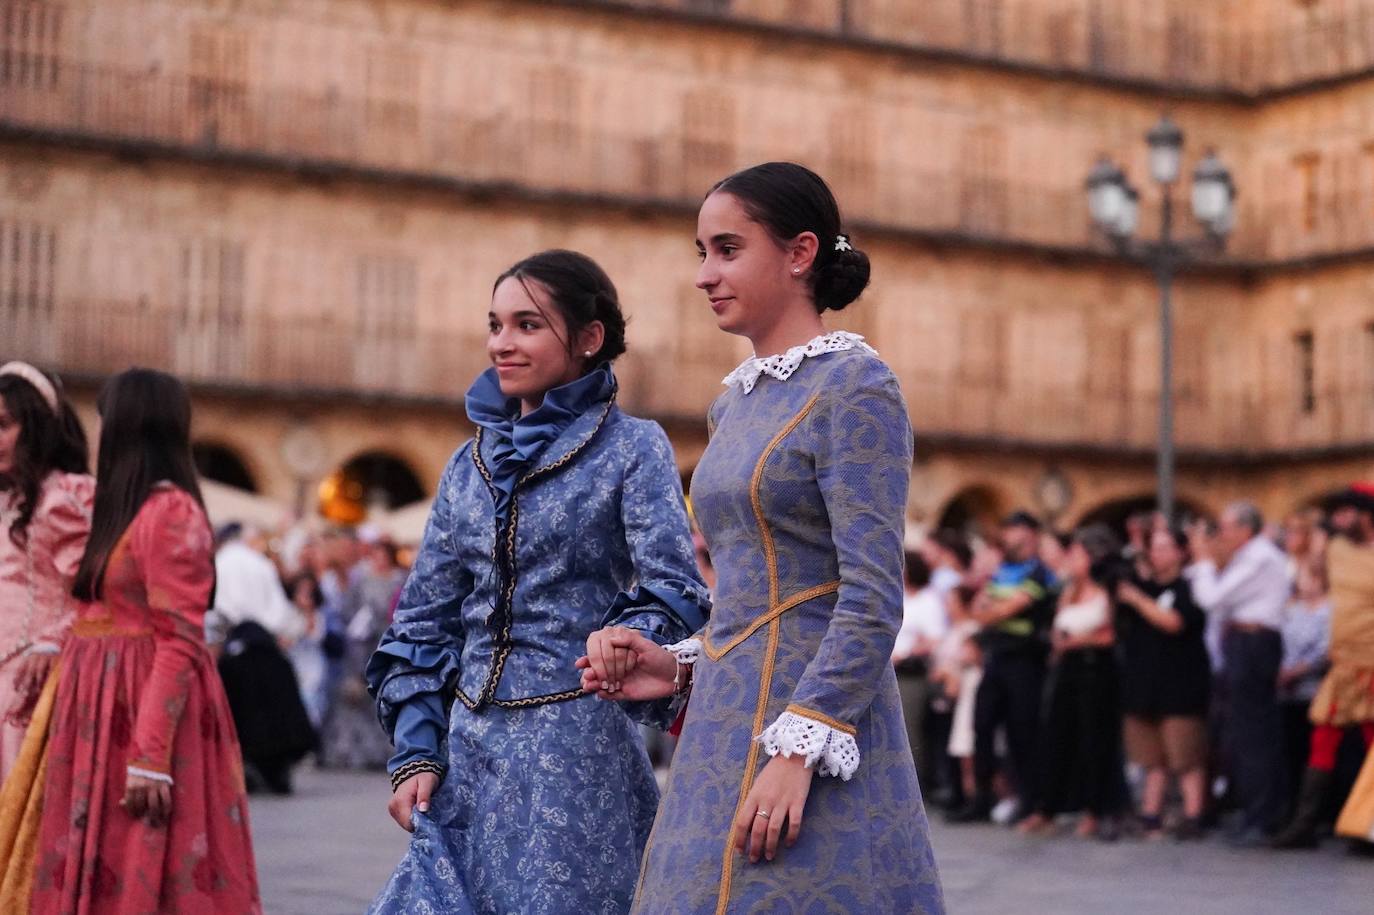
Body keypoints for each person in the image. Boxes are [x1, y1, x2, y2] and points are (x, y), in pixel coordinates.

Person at [581, 162, 944, 912]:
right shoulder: (735, 406)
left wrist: (798, 749)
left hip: (812, 732)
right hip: (721, 728)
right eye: (700, 253)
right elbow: (749, 593)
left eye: (726, 249)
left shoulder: (855, 387)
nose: (704, 274)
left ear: (800, 252)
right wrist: (678, 666)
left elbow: (872, 597)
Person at [365, 250, 710, 914]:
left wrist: (627, 637)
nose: (501, 342)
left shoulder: (633, 446)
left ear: (588, 338)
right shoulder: (467, 465)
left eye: (526, 324)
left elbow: (674, 584)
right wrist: (416, 752)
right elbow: (421, 623)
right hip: (466, 756)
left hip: (575, 753)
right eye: (495, 324)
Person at [12, 368, 260, 912]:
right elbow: (92, 610)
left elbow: (179, 639)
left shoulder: (171, 513)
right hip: (100, 710)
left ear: (128, 425)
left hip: (139, 707)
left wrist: (150, 756)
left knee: (145, 862)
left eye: (105, 420)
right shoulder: (127, 510)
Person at [0, 362, 92, 782]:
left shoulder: (64, 499)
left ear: (36, 427)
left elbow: (102, 595)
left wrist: (50, 644)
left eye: (3, 425)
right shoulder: (10, 501)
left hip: (38, 686)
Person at [1273, 485, 1374, 849]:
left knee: (1371, 748)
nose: (1339, 519)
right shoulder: (1336, 548)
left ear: (1366, 515)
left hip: (1372, 664)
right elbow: (1310, 572)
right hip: (1342, 663)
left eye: (1347, 513)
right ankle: (1304, 824)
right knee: (1323, 741)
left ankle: (1366, 828)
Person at [1188, 501, 1290, 845]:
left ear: (1246, 529)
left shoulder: (1260, 557)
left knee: (1254, 733)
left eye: (1227, 527)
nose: (1223, 535)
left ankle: (1261, 817)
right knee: (1243, 732)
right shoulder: (1249, 557)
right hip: (1244, 642)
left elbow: (1212, 598)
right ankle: (1255, 812)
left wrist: (1203, 561)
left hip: (1254, 642)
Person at [1018, 524, 1125, 840]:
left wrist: (1075, 642)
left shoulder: (1108, 590)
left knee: (1093, 738)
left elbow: (1111, 634)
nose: (1070, 559)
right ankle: (1047, 806)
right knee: (1056, 735)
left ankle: (1095, 809)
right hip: (1066, 670)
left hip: (1095, 670)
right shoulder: (1067, 589)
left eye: (1077, 554)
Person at [951, 510, 1057, 824]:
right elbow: (978, 610)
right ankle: (982, 798)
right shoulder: (1004, 571)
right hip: (996, 659)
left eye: (1013, 530)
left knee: (1021, 730)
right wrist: (992, 610)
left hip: (1025, 663)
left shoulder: (1039, 573)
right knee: (982, 726)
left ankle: (1029, 799)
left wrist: (992, 610)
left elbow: (999, 611)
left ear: (1030, 534)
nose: (1007, 536)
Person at [1115, 527, 1212, 840]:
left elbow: (1173, 622)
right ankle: (1151, 815)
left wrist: (1136, 598)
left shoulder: (1191, 587)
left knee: (1185, 757)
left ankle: (1194, 816)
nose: (1158, 554)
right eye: (1154, 548)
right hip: (1145, 686)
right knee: (1151, 758)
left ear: (1181, 552)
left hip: (1180, 687)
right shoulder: (1143, 586)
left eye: (1166, 547)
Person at [321, 537, 405, 770]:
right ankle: (354, 752)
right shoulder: (362, 581)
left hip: (387, 641)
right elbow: (348, 610)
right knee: (356, 698)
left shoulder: (400, 579)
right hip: (361, 645)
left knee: (384, 698)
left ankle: (384, 751)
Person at [1276, 558, 1332, 824]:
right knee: (1290, 751)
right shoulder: (1290, 610)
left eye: (1311, 577)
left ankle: (1318, 813)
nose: (1305, 582)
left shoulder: (1330, 611)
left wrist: (1298, 671)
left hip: (1314, 689)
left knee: (1314, 750)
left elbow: (1325, 650)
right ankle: (1291, 808)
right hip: (1286, 692)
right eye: (1302, 576)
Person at [894, 551, 950, 792]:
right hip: (890, 669)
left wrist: (906, 654)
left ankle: (915, 784)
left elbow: (935, 638)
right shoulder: (899, 595)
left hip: (911, 672)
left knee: (911, 728)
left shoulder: (928, 600)